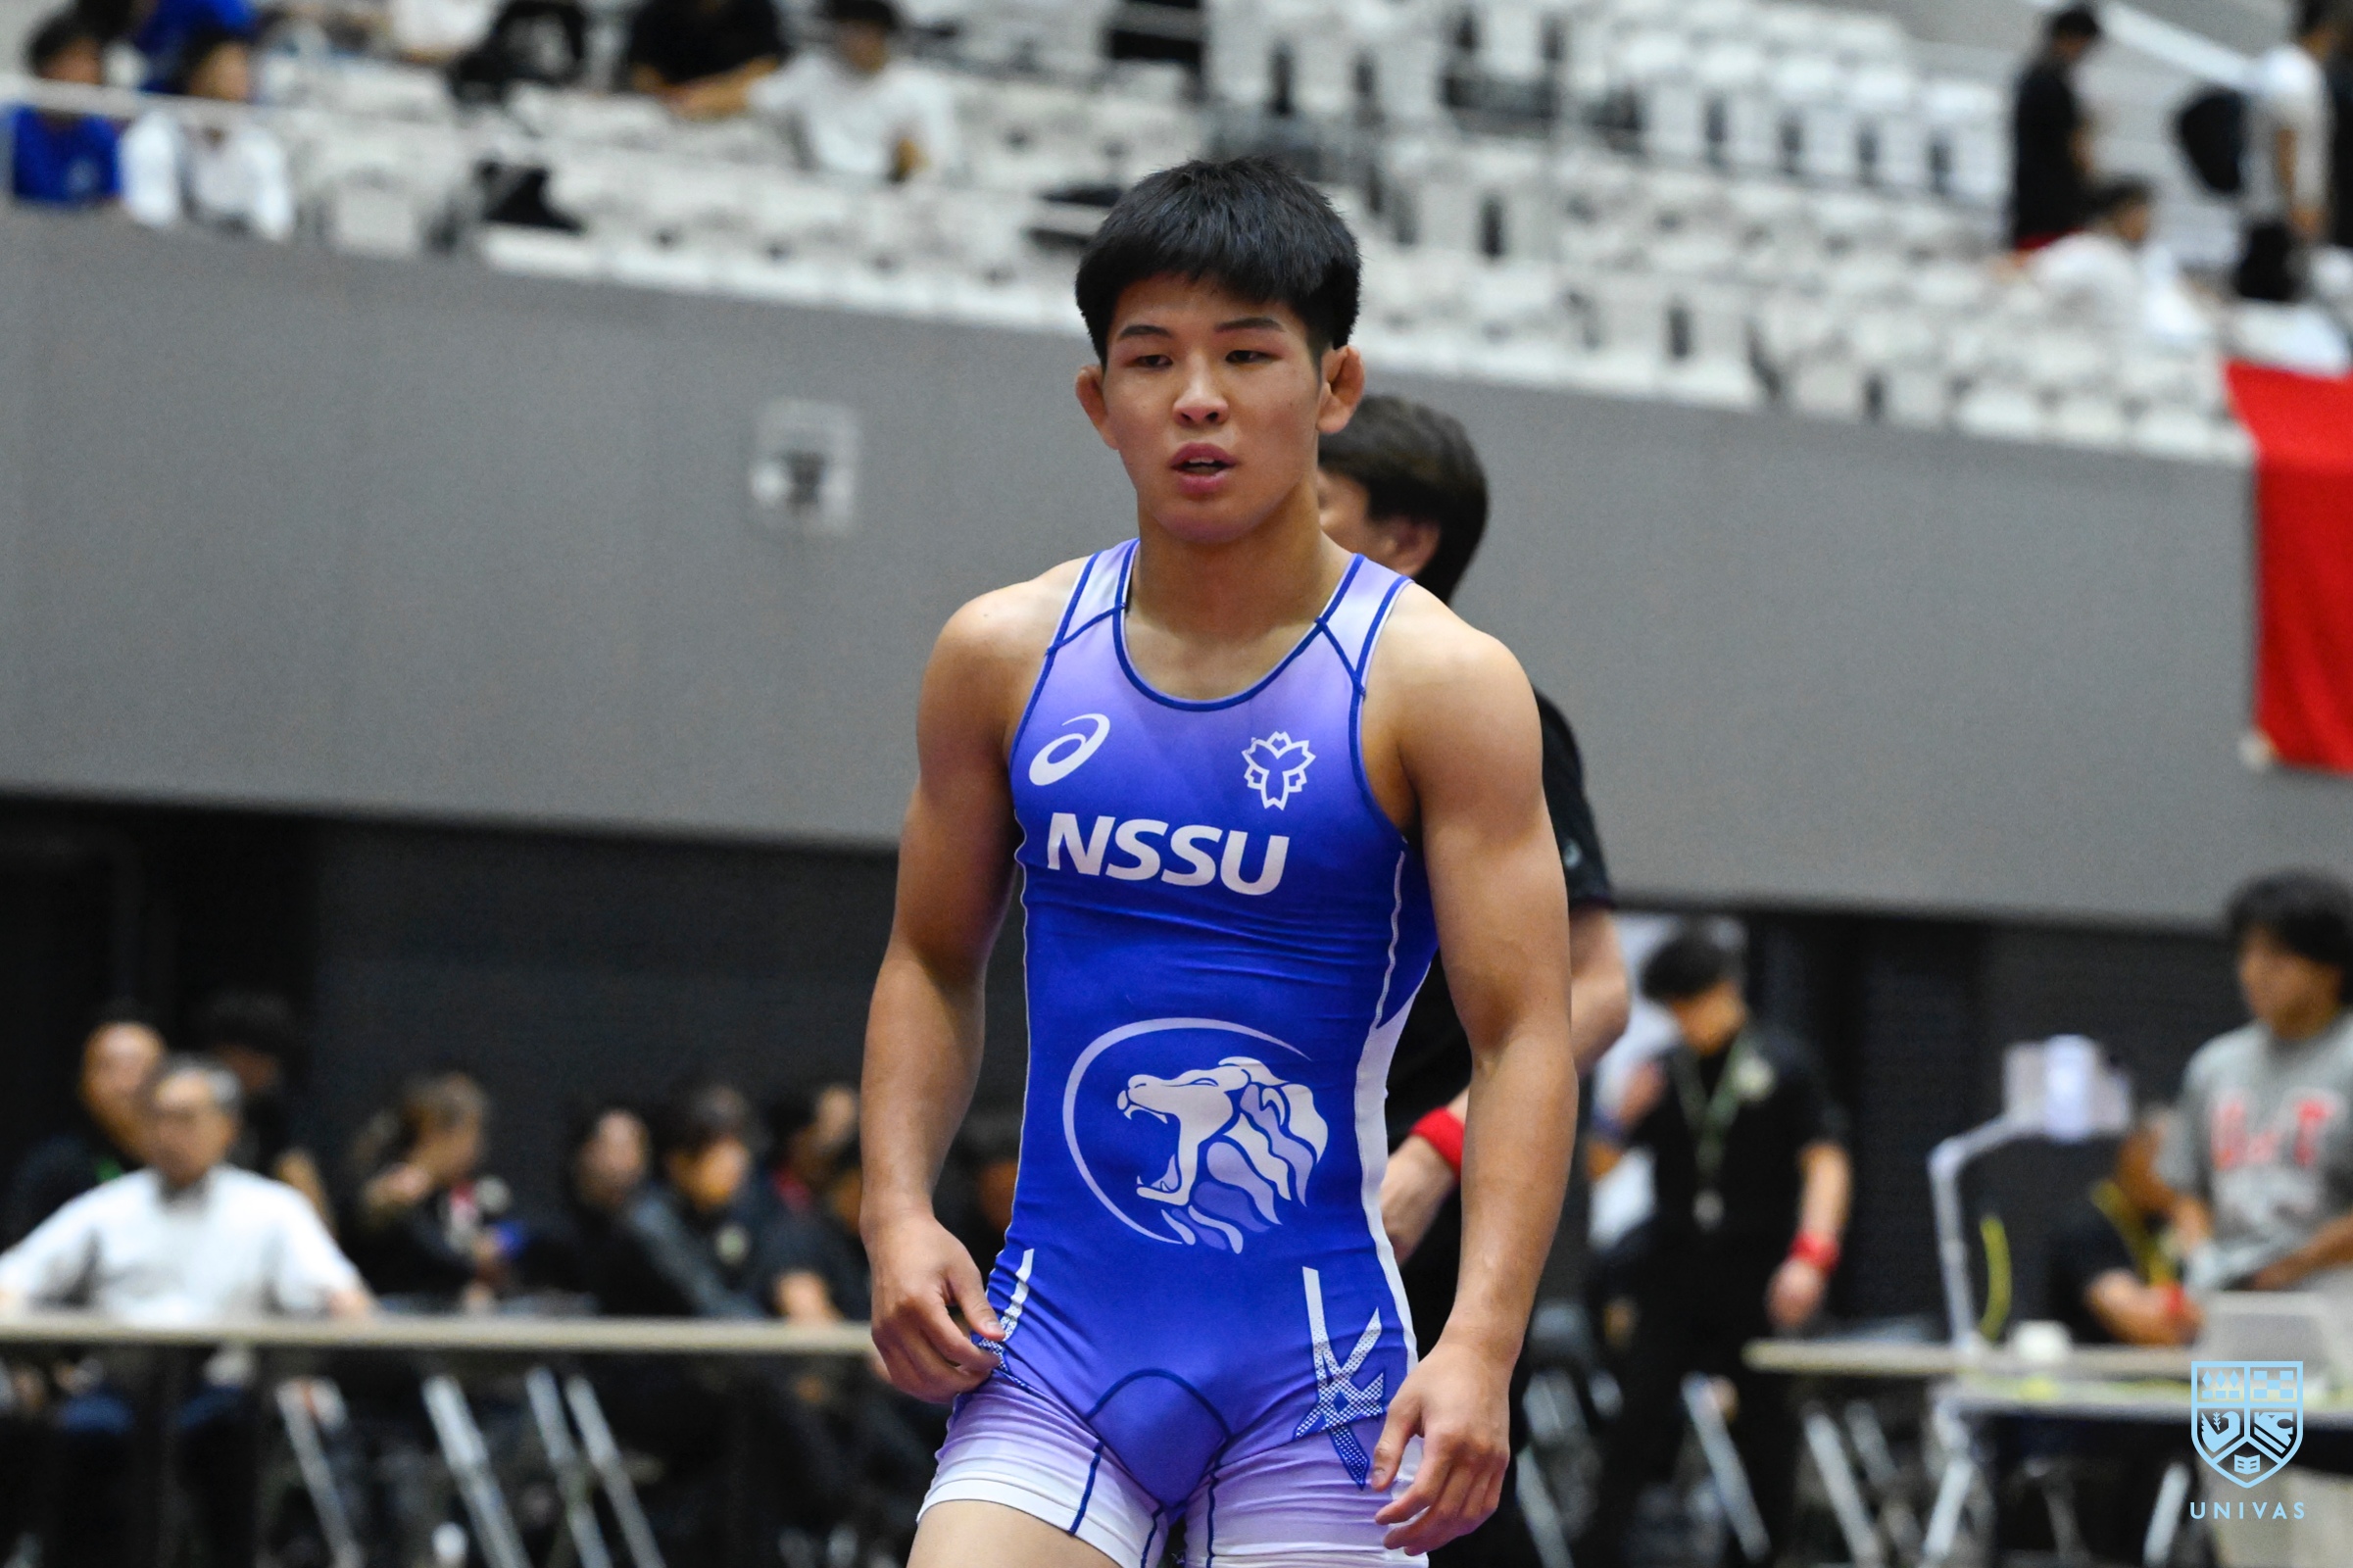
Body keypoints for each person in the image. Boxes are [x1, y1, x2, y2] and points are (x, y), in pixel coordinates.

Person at [861, 157, 1579, 1566]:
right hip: (1052, 1341)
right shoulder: (1002, 655)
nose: (1197, 398)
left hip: (1315, 1366)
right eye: (1152, 360)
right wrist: (893, 1211)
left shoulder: (1439, 685)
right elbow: (930, 959)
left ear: (1333, 386)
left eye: (1247, 355)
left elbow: (1525, 1035)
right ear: (1098, 401)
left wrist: (1481, 1342)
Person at [1318, 393, 1633, 1568]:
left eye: (1314, 504)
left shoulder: (1498, 719)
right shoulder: (1259, 714)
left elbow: (1594, 990)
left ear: (1405, 538)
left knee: (1408, 1520)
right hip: (1278, 1191)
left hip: (1423, 1216)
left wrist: (1436, 1152)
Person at [0, 1055, 369, 1567]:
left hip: (224, 1395)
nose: (168, 1133)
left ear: (227, 1127)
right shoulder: (109, 1207)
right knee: (63, 1438)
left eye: (186, 1118)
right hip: (117, 1394)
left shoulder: (271, 1209)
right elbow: (15, 1276)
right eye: (158, 1117)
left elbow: (343, 1295)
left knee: (232, 1445)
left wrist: (326, 1334)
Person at [1575, 924, 1850, 1568]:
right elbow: (1599, 1166)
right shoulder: (1662, 1070)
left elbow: (1826, 1164)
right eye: (1672, 1010)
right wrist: (1617, 1113)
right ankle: (1599, 1552)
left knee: (1765, 1424)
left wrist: (1811, 1257)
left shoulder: (1783, 1065)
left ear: (1724, 991)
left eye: (1689, 1005)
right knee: (1636, 1417)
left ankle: (1764, 1553)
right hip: (1674, 1269)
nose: (1683, 1022)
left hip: (1755, 1269)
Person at [2159, 869, 2353, 1291]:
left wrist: (2297, 1263)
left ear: (2331, 967)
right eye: (2246, 954)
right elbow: (2186, 1188)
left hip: (2337, 1299)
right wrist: (2201, 1257)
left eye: (2276, 957)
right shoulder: (2215, 1065)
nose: (2253, 973)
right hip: (2235, 1297)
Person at [343, 1071, 515, 1306]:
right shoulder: (396, 1188)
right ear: (433, 1132)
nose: (477, 1149)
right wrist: (473, 1262)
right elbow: (437, 1262)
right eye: (471, 1134)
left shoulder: (452, 1192)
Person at [740, 0, 960, 178]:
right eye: (846, 28)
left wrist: (909, 165)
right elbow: (753, 98)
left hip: (890, 197)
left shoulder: (921, 88)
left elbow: (937, 162)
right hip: (818, 186)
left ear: (885, 34)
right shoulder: (812, 73)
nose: (853, 40)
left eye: (863, 30)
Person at [120, 25, 295, 242]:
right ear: (197, 76)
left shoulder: (261, 147)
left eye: (242, 69)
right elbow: (150, 223)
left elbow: (274, 230)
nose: (237, 78)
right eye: (226, 69)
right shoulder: (155, 138)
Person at [4, 1005, 162, 1245]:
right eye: (110, 1068)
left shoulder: (196, 1165)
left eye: (140, 1068)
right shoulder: (55, 1170)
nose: (126, 1084)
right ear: (83, 1084)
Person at [190, 989, 333, 1227]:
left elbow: (310, 1207)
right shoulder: (191, 1113)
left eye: (265, 1062)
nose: (255, 1071)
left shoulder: (281, 1116)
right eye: (242, 1059)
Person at [2236, 0, 2346, 302]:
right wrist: (2297, 203)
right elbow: (2285, 141)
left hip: (2278, 202)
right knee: (2271, 287)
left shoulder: (2288, 67)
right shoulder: (2292, 73)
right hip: (2278, 206)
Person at [2029, 175, 2215, 346]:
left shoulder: (2150, 256)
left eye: (2146, 213)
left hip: (2154, 349)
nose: (2145, 222)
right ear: (2115, 215)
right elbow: (2039, 284)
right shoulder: (2085, 253)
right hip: (2096, 350)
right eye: (2136, 214)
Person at [2009, 5, 2103, 253]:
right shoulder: (2053, 82)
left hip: (2032, 192)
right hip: (2054, 198)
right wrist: (2092, 183)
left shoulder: (2032, 75)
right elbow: (2074, 142)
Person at [8, 12, 120, 211]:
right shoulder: (11, 130)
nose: (86, 71)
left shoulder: (101, 136)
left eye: (92, 60)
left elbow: (111, 204)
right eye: (75, 58)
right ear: (45, 66)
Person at [623, 0, 784, 119]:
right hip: (669, 109)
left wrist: (713, 95)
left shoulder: (756, 10)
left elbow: (764, 67)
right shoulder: (656, 12)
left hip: (737, 107)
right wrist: (677, 96)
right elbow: (644, 75)